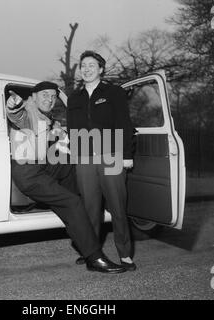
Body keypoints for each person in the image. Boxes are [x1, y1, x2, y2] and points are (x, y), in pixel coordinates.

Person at [6, 81, 126, 273]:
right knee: (72, 203)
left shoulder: (46, 117)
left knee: (71, 166)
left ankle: (83, 229)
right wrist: (14, 105)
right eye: (45, 95)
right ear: (34, 97)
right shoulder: (28, 112)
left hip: (44, 166)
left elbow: (62, 125)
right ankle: (94, 258)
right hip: (29, 174)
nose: (50, 99)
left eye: (53, 96)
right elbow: (17, 115)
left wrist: (60, 127)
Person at [67, 51, 137, 271]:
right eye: (83, 65)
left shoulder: (114, 92)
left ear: (101, 69)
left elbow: (124, 124)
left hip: (111, 155)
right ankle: (91, 251)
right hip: (85, 157)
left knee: (117, 206)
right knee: (89, 208)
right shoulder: (74, 98)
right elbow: (72, 129)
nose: (86, 69)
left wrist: (126, 156)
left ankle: (125, 254)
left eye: (91, 65)